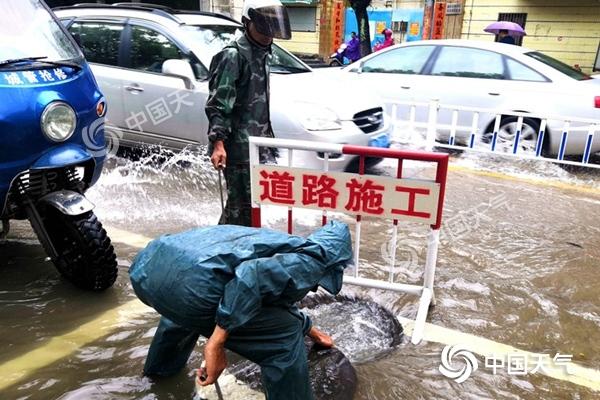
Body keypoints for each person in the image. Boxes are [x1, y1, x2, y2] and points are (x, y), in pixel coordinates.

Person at [130, 221, 353, 400]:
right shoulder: (314, 260)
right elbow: (250, 277)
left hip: (149, 271)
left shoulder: (278, 242)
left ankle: (158, 376)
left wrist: (311, 330)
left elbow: (272, 296)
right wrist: (216, 344)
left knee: (182, 310)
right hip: (193, 291)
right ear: (337, 261)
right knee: (285, 337)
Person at [206, 0, 291, 227]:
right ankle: (223, 250)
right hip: (238, 147)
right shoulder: (233, 55)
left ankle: (241, 247)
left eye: (273, 25)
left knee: (252, 205)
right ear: (248, 22)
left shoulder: (263, 52)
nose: (269, 33)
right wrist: (218, 143)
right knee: (238, 208)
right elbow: (218, 104)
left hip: (258, 144)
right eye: (264, 25)